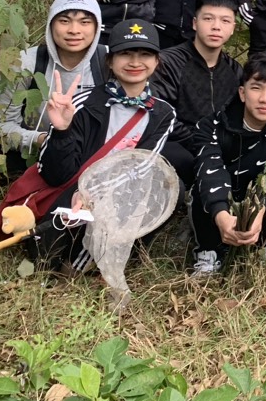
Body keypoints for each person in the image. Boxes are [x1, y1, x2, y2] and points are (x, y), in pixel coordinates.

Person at [19, 20, 174, 273]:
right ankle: (69, 256)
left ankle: (97, 260)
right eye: (126, 53)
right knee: (45, 258)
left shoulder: (163, 113)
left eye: (145, 54)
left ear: (157, 62)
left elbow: (143, 166)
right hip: (74, 191)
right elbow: (54, 173)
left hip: (122, 194)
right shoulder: (82, 102)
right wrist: (61, 130)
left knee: (157, 191)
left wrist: (94, 191)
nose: (135, 62)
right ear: (110, 61)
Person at [189, 51, 266, 275]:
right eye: (256, 88)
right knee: (201, 186)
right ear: (242, 93)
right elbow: (210, 168)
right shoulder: (210, 126)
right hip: (224, 196)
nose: (265, 98)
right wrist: (221, 215)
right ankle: (208, 252)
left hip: (262, 201)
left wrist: (258, 214)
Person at [0, 0, 105, 178]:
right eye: (64, 21)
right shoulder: (24, 63)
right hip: (32, 151)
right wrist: (42, 140)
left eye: (85, 22)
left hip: (94, 158)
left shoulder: (109, 62)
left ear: (97, 26)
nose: (74, 30)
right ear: (51, 24)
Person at [149, 0, 243, 184]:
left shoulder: (235, 70)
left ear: (233, 28)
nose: (216, 26)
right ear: (194, 23)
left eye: (225, 21)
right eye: (208, 19)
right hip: (180, 145)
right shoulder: (169, 62)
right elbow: (161, 115)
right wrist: (200, 143)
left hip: (219, 147)